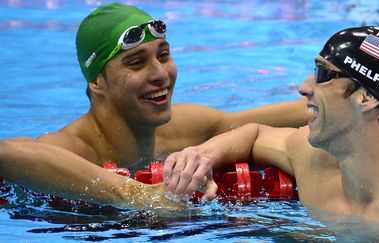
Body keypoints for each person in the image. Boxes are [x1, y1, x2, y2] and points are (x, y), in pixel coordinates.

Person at [0, 3, 310, 211]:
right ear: (97, 82)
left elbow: (276, 117)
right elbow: (7, 153)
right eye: (136, 63)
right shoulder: (76, 147)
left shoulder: (183, 128)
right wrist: (140, 195)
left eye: (163, 56)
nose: (160, 74)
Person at [163, 23, 379, 234]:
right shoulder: (314, 162)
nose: (304, 87)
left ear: (365, 97)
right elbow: (256, 134)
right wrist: (202, 154)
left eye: (323, 74)